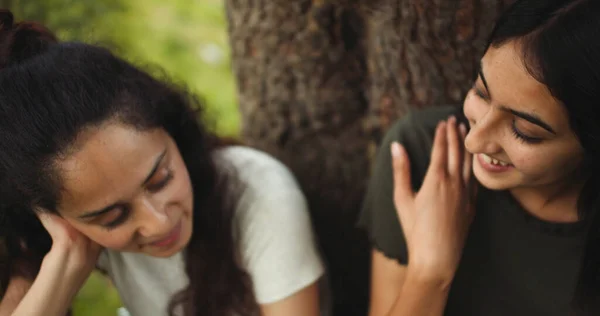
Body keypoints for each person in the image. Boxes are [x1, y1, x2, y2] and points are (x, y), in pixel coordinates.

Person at [0, 10, 327, 316]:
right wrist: (65, 261)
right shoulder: (64, 237)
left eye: (160, 180)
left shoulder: (258, 192)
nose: (158, 222)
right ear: (56, 219)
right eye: (113, 217)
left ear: (172, 129)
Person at [359, 0, 600, 315]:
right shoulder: (424, 155)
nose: (475, 141)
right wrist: (429, 274)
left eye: (525, 131)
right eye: (481, 92)